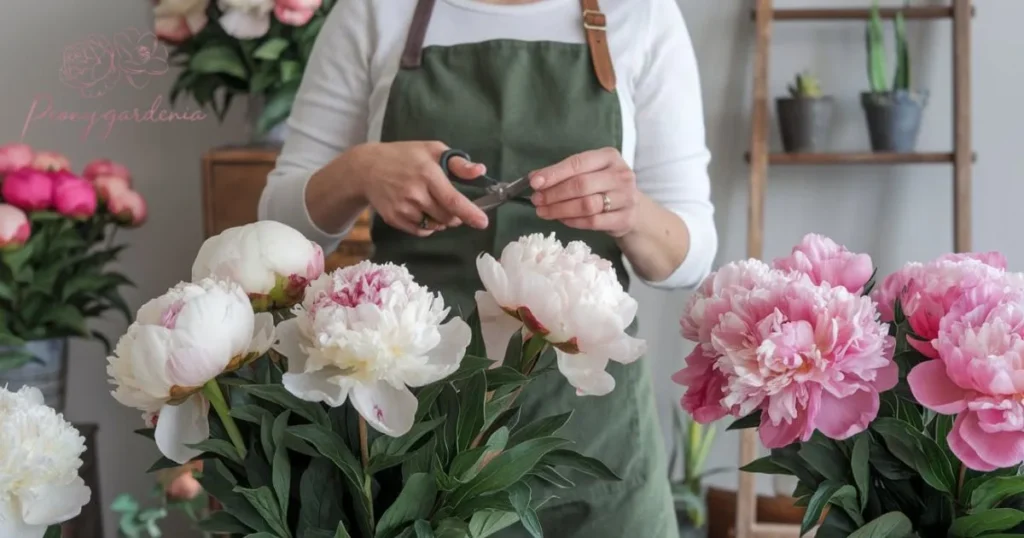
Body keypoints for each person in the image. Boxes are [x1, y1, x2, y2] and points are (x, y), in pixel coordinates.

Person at [259, 0, 717, 535]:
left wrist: (630, 211)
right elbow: (280, 224)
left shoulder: (642, 13)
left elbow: (691, 258)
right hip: (409, 425)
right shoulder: (374, 10)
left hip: (591, 435)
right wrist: (360, 170)